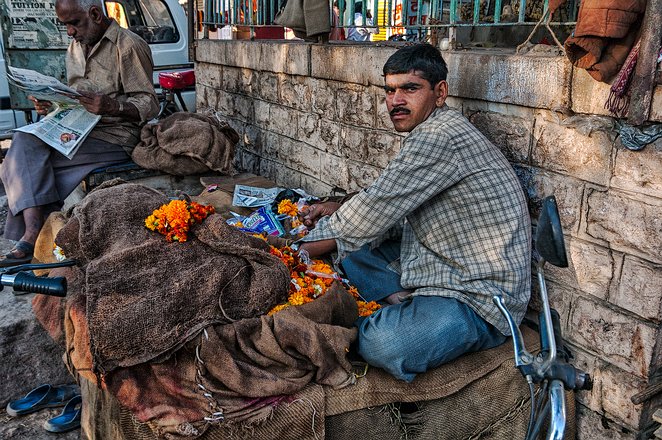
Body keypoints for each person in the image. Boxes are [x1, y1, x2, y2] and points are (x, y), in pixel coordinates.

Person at [299, 43, 531, 382]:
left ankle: (394, 316)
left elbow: (374, 209)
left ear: (440, 93)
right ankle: (402, 303)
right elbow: (390, 208)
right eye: (390, 90)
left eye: (410, 88)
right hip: (437, 261)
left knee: (382, 342)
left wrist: (296, 250)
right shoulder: (430, 130)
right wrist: (339, 213)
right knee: (353, 251)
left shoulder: (440, 136)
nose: (396, 101)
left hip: (478, 297)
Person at [0, 0, 158, 266]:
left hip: (114, 135)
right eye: (66, 26)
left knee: (36, 167)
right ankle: (35, 238)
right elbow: (73, 96)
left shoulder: (128, 45)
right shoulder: (75, 46)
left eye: (74, 23)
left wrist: (113, 105)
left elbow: (149, 103)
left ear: (95, 14)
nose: (70, 32)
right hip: (77, 129)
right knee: (23, 142)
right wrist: (49, 104)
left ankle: (31, 238)